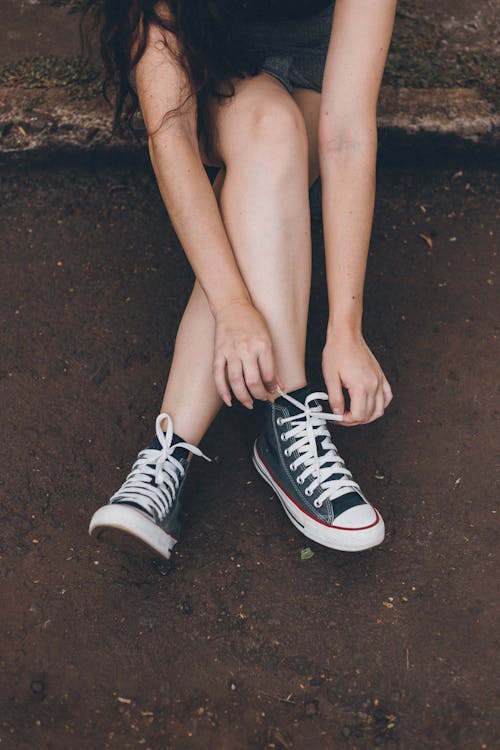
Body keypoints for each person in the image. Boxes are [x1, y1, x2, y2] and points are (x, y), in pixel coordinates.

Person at [88, 0, 397, 560]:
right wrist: (231, 307)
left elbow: (348, 134)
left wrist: (346, 329)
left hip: (317, 70)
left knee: (269, 169)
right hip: (217, 64)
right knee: (271, 131)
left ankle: (167, 456)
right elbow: (172, 131)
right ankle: (289, 409)